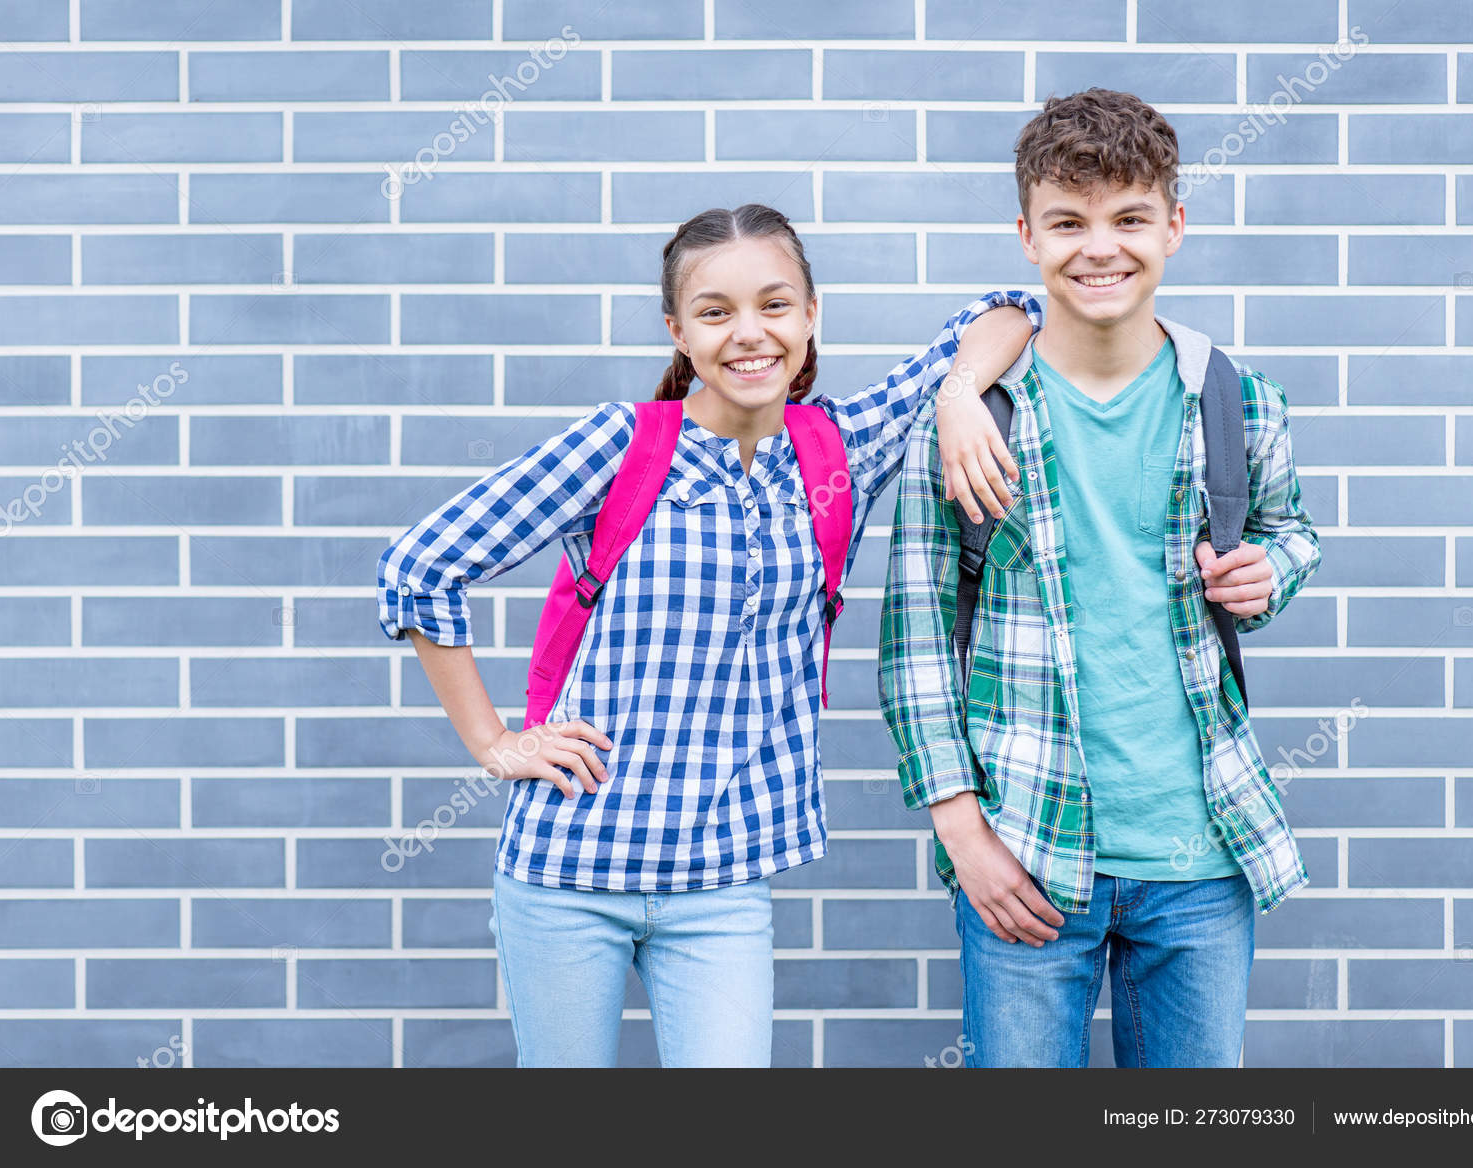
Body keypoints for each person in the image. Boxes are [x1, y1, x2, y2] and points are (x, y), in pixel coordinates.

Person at [377, 202, 1042, 1067]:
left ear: (811, 316)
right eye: (715, 312)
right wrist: (493, 742)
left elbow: (1008, 312)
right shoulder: (623, 447)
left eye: (774, 304)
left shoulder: (838, 448)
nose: (749, 334)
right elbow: (420, 565)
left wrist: (956, 396)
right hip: (568, 870)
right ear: (678, 332)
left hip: (723, 883)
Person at [878, 90, 1323, 1068]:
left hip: (1202, 859)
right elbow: (913, 648)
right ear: (1026, 236)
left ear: (1172, 224)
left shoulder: (1235, 401)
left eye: (1127, 218)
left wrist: (1268, 574)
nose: (1099, 247)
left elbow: (1292, 531)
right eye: (1067, 222)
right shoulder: (971, 421)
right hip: (1026, 849)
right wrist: (964, 836)